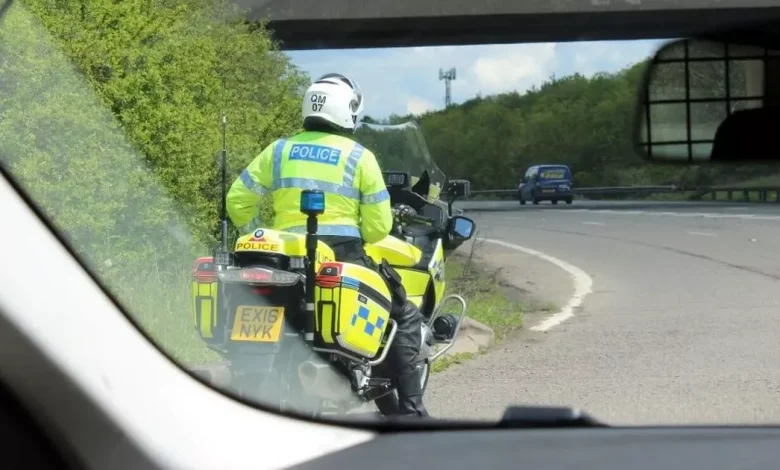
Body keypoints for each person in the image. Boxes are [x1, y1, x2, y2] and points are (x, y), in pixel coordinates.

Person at [225, 73, 429, 417]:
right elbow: (380, 225)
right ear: (346, 109)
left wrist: (257, 231)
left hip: (280, 258)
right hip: (342, 254)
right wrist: (359, 234)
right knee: (404, 315)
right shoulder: (358, 157)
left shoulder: (279, 150)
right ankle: (411, 413)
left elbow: (238, 198)